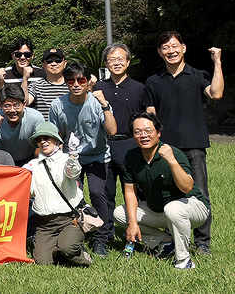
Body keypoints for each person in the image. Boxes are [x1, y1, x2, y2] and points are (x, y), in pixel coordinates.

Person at [140, 31, 222, 254]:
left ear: (183, 48)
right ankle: (171, 238)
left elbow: (216, 93)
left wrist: (217, 63)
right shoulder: (154, 81)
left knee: (199, 194)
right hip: (165, 147)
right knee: (168, 193)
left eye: (174, 46)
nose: (171, 51)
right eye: (165, 48)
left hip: (193, 145)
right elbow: (150, 115)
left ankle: (202, 242)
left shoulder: (197, 75)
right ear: (159, 52)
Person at [114, 112, 211, 269]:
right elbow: (130, 192)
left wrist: (171, 161)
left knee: (172, 209)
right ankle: (165, 243)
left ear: (158, 133)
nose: (143, 135)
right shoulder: (132, 156)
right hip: (160, 211)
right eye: (137, 132)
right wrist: (132, 224)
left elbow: (187, 187)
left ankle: (183, 260)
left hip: (193, 207)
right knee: (120, 213)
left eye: (148, 131)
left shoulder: (173, 153)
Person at [50, 62, 118, 256]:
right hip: (72, 158)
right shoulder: (58, 105)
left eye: (81, 80)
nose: (76, 84)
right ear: (66, 82)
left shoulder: (97, 103)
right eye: (71, 80)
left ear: (88, 82)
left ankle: (101, 238)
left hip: (98, 156)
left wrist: (105, 104)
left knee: (98, 193)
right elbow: (56, 136)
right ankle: (78, 235)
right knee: (75, 197)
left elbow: (112, 130)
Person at [95, 43, 146, 249]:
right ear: (105, 64)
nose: (116, 63)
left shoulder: (140, 88)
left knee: (137, 190)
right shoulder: (99, 88)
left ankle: (140, 232)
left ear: (128, 61)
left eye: (120, 59)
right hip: (104, 145)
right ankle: (104, 236)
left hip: (130, 144)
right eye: (111, 60)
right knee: (105, 192)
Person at [24, 122, 92, 267]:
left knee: (69, 248)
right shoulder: (32, 165)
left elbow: (73, 173)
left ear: (56, 140)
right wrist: (24, 177)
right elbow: (28, 194)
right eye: (39, 139)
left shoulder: (66, 159)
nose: (43, 141)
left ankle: (80, 254)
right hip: (44, 223)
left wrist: (73, 154)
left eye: (47, 137)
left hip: (69, 219)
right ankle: (58, 250)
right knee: (42, 262)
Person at [0, 84, 43, 166]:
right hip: (1, 161)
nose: (12, 110)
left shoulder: (35, 118)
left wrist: (34, 165)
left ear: (24, 104)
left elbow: (39, 146)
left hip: (29, 159)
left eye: (16, 105)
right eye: (7, 106)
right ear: (0, 105)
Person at [0, 38, 46, 106]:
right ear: (13, 55)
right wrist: (1, 81)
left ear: (32, 56)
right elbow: (1, 102)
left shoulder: (42, 74)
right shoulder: (4, 74)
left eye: (27, 55)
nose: (22, 57)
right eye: (18, 54)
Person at [28, 48, 70, 119]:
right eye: (49, 61)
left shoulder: (72, 84)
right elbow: (25, 102)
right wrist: (25, 79)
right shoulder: (36, 85)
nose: (54, 64)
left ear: (65, 63)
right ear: (43, 65)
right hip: (44, 128)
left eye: (58, 60)